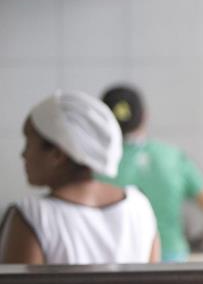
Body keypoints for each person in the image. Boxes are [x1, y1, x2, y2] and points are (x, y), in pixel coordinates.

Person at [0, 90, 159, 265]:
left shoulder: (32, 216)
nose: (23, 154)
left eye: (29, 142)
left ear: (57, 154)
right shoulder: (139, 206)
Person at [100, 85, 203, 262]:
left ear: (101, 120)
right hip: (170, 262)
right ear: (145, 116)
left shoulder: (95, 165)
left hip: (116, 263)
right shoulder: (172, 158)